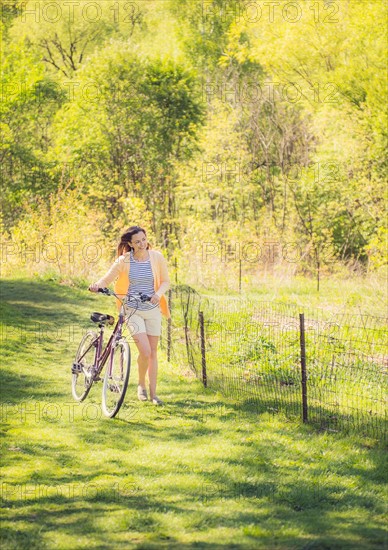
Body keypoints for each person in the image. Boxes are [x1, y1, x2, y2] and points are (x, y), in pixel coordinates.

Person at [89, 226, 171, 405]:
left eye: (144, 239)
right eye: (137, 242)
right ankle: (141, 385)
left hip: (153, 311)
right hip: (132, 310)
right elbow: (107, 279)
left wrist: (158, 294)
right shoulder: (124, 260)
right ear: (130, 244)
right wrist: (97, 285)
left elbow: (165, 281)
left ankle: (154, 394)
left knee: (153, 353)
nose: (142, 244)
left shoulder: (156, 257)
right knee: (145, 351)